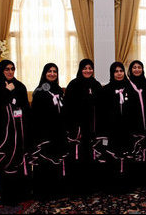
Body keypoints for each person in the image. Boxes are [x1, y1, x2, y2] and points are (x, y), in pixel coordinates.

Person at [95, 62, 142, 193]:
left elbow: (137, 111)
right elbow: (101, 113)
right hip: (112, 131)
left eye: (121, 70)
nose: (119, 73)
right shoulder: (105, 91)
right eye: (116, 71)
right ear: (112, 73)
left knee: (127, 157)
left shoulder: (132, 90)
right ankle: (112, 184)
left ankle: (127, 184)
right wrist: (103, 132)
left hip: (128, 131)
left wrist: (137, 130)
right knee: (112, 157)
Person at [0, 60, 30, 205]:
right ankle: (7, 196)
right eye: (7, 69)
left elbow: (25, 109)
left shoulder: (20, 87)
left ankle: (21, 193)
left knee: (19, 162)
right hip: (3, 134)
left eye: (12, 69)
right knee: (5, 163)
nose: (10, 72)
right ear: (1, 71)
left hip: (19, 132)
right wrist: (7, 91)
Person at [63, 59, 102, 195]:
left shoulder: (96, 85)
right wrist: (74, 128)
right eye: (85, 68)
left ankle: (93, 186)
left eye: (90, 68)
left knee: (93, 157)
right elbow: (67, 109)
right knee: (78, 158)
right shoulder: (73, 85)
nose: (87, 71)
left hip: (93, 128)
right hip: (78, 129)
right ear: (80, 69)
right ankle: (77, 187)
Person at [30, 63, 68, 199]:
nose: (52, 74)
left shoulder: (59, 90)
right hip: (44, 134)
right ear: (44, 73)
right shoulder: (39, 92)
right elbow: (35, 115)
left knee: (57, 162)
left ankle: (57, 190)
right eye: (49, 71)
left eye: (55, 71)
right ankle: (43, 192)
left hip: (59, 133)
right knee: (44, 163)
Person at [127, 60, 146, 187]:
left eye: (139, 67)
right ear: (130, 70)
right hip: (133, 122)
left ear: (142, 69)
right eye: (134, 67)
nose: (137, 69)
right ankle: (134, 178)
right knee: (134, 150)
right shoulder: (126, 84)